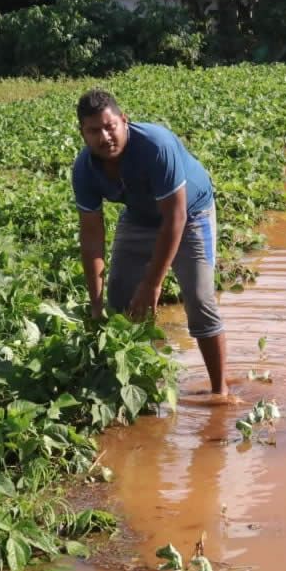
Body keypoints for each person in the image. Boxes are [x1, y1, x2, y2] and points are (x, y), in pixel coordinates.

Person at [71, 88, 230, 399]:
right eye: (94, 131)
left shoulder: (156, 146)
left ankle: (220, 392)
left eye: (109, 126)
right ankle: (142, 387)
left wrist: (153, 284)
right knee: (118, 301)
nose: (104, 137)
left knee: (199, 299)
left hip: (191, 213)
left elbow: (175, 218)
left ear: (124, 121)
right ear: (83, 134)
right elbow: (91, 238)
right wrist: (95, 303)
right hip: (141, 215)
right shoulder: (85, 170)